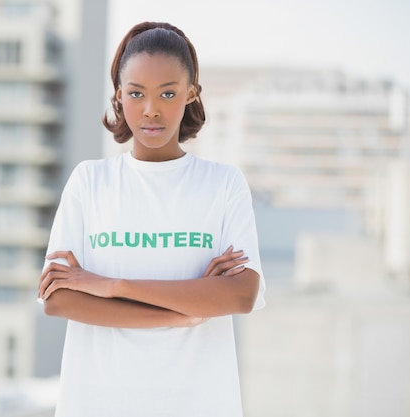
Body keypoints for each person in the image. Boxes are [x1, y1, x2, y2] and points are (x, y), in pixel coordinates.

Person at [38, 21, 265, 417]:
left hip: (196, 403)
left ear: (191, 92)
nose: (151, 109)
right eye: (136, 93)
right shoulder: (90, 182)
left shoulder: (223, 184)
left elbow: (241, 293)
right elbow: (57, 299)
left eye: (168, 93)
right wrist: (183, 310)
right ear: (119, 95)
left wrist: (110, 285)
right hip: (99, 403)